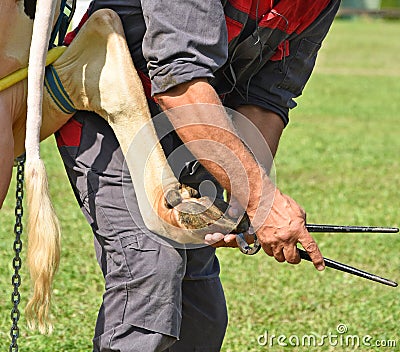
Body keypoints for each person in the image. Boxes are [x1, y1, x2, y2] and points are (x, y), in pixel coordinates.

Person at [56, 0, 341, 350]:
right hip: (108, 108)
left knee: (201, 316)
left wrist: (242, 201)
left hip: (198, 127)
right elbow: (180, 80)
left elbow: (267, 96)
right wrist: (260, 197)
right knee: (152, 271)